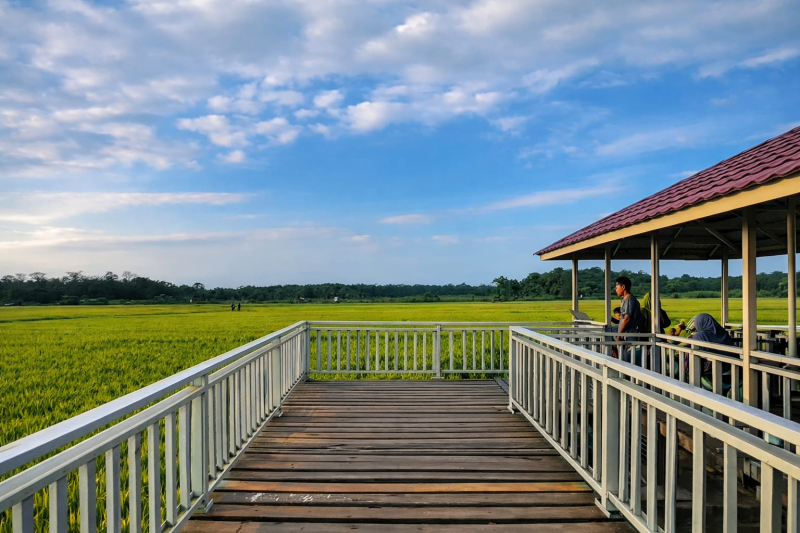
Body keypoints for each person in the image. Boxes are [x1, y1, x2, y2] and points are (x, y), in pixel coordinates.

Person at [612, 276, 645, 361]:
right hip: (626, 335)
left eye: (617, 287)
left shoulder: (629, 299)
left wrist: (619, 336)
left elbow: (627, 319)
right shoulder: (624, 300)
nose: (615, 289)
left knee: (629, 360)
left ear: (623, 287)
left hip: (630, 335)